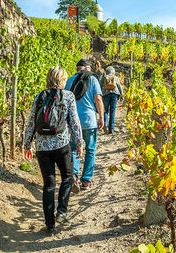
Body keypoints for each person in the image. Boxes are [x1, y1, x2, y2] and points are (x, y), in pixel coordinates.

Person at [24, 66, 83, 235]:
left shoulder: (39, 96)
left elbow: (31, 122)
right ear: (62, 80)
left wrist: (27, 145)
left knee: (48, 185)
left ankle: (49, 225)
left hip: (42, 148)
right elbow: (74, 122)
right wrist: (79, 143)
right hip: (61, 145)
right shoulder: (68, 96)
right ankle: (62, 212)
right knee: (67, 177)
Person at [65, 59, 104, 191]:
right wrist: (101, 117)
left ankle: (74, 176)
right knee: (90, 149)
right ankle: (86, 180)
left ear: (77, 69)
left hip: (73, 121)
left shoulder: (69, 81)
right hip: (89, 120)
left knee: (75, 148)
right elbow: (98, 99)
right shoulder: (92, 79)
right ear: (87, 68)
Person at [101, 66, 123, 134]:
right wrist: (122, 95)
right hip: (114, 94)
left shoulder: (104, 77)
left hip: (106, 94)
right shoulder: (115, 77)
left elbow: (100, 85)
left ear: (106, 72)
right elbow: (119, 86)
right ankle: (111, 129)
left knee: (105, 110)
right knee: (112, 111)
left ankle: (105, 124)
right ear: (113, 72)